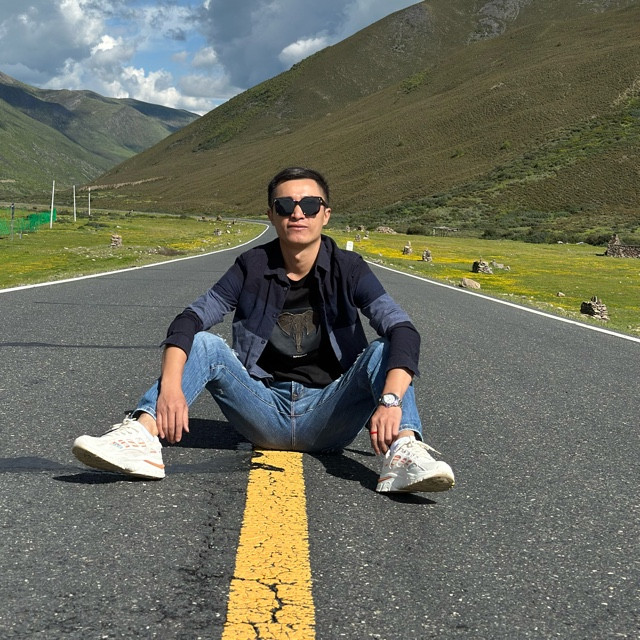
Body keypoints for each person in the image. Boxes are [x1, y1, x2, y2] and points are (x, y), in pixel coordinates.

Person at [72, 167, 455, 493]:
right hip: (263, 410)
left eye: (310, 205)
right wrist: (171, 388)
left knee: (384, 348)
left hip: (329, 414)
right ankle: (141, 436)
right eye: (285, 205)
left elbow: (403, 330)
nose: (298, 213)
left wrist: (390, 401)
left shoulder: (349, 268)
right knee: (205, 344)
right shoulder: (251, 266)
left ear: (326, 214)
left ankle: (404, 452)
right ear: (272, 214)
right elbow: (189, 320)